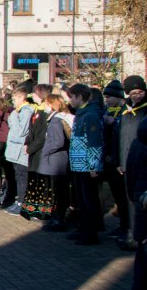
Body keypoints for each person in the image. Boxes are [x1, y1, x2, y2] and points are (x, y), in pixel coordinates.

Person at [66, 83, 104, 244]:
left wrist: (94, 165)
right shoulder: (81, 113)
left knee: (89, 200)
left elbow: (95, 142)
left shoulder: (90, 115)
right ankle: (83, 228)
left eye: (72, 98)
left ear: (79, 97)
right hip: (78, 164)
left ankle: (91, 233)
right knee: (81, 199)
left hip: (87, 166)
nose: (70, 101)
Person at [121, 115, 147, 290]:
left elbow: (131, 177)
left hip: (143, 216)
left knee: (141, 278)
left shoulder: (140, 140)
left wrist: (136, 204)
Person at [119, 75, 147, 250]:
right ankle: (131, 232)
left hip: (142, 160)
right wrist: (120, 160)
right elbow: (122, 137)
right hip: (127, 160)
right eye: (133, 93)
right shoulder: (125, 110)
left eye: (140, 92)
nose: (137, 96)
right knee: (130, 198)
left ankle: (140, 236)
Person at [37, 94, 71, 230]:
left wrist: (45, 151)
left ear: (51, 104)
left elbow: (57, 141)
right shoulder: (60, 117)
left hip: (56, 162)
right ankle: (57, 217)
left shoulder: (56, 120)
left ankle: (58, 219)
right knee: (59, 191)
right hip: (59, 160)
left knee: (58, 192)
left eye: (46, 104)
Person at [102, 79, 130, 242]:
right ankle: (122, 225)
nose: (106, 100)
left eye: (108, 97)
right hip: (110, 159)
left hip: (120, 160)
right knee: (117, 195)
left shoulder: (124, 112)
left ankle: (127, 226)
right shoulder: (108, 111)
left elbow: (124, 136)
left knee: (123, 196)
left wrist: (114, 124)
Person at [21, 85, 53, 221]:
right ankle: (32, 209)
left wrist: (31, 147)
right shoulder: (36, 111)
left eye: (34, 93)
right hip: (33, 152)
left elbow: (42, 136)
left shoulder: (47, 112)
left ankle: (42, 210)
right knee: (34, 180)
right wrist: (27, 143)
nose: (32, 95)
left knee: (42, 183)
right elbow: (31, 130)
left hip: (41, 152)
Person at [2, 86, 33, 214]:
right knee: (18, 175)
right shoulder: (18, 111)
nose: (13, 102)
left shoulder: (25, 111)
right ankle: (19, 200)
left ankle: (22, 202)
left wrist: (13, 116)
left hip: (21, 150)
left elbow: (21, 131)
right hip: (15, 150)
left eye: (14, 99)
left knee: (22, 177)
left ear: (21, 97)